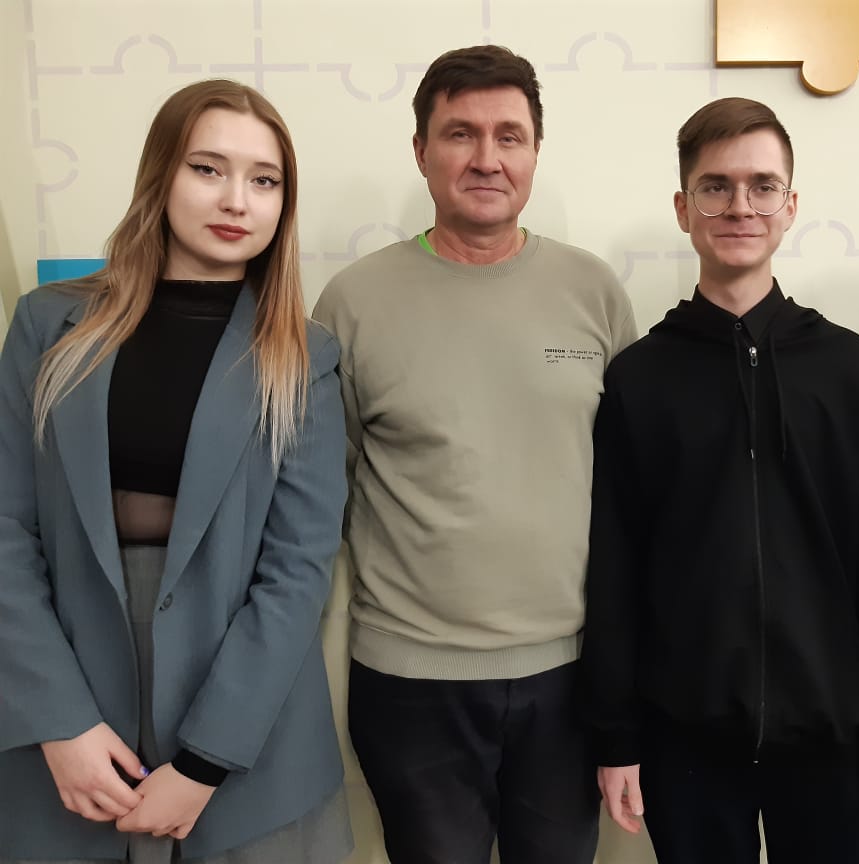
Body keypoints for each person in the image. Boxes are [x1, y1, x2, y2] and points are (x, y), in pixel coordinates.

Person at [0, 80, 352, 864]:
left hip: (247, 733)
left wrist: (203, 763)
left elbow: (298, 568)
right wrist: (57, 720)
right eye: (207, 169)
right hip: (64, 710)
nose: (236, 200)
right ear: (160, 174)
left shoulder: (306, 354)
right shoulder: (47, 324)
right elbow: (5, 530)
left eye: (265, 180)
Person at [312, 45, 636, 864]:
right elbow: (321, 496)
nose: (487, 158)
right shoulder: (353, 303)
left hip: (571, 675)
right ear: (421, 151)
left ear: (534, 153)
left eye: (509, 136)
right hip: (409, 681)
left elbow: (631, 491)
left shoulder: (593, 291)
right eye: (460, 134)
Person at [580, 96, 859, 864]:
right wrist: (616, 732)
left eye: (763, 186)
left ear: (790, 206)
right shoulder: (639, 377)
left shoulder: (847, 367)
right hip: (685, 738)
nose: (740, 206)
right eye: (716, 186)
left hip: (836, 736)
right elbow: (616, 567)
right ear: (683, 208)